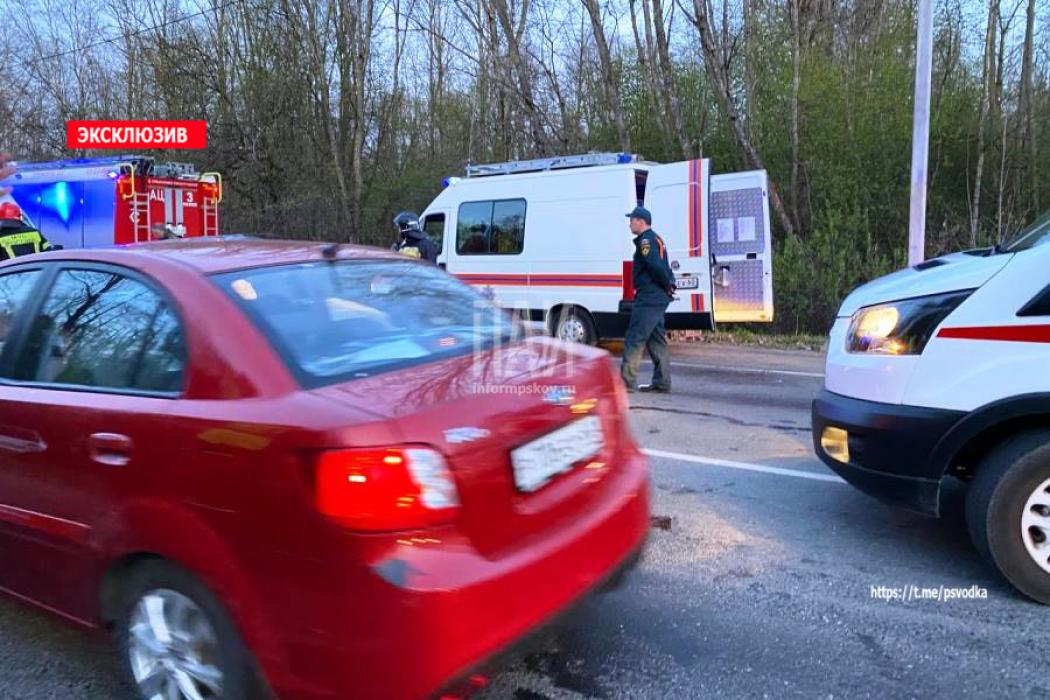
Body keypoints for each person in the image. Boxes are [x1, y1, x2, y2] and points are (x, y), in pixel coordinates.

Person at [621, 206, 675, 393]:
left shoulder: (645, 241)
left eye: (632, 220)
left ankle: (626, 382)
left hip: (650, 297)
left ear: (641, 221)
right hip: (657, 297)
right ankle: (662, 382)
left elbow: (655, 266)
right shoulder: (655, 238)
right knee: (656, 340)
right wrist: (668, 285)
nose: (629, 223)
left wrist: (667, 283)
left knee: (635, 337)